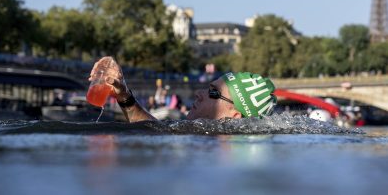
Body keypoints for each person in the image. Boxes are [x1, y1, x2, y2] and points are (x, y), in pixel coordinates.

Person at [89, 56, 277, 122]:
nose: (199, 94)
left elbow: (154, 134)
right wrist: (123, 94)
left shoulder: (211, 150)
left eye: (213, 92)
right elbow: (155, 131)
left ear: (235, 116)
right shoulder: (204, 137)